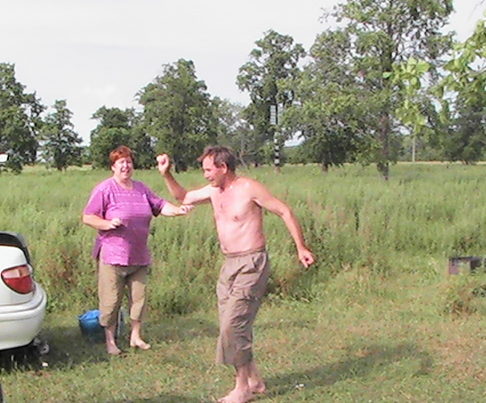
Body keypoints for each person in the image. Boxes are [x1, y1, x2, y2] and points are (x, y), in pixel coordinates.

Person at [157, 146, 315, 403]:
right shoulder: (213, 191)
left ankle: (242, 388)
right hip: (229, 264)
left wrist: (301, 247)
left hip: (252, 263)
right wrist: (166, 174)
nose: (205, 175)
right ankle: (255, 380)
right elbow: (183, 197)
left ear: (223, 168)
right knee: (229, 325)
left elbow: (284, 211)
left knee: (234, 325)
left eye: (209, 170)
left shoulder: (249, 188)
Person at [83, 145, 192, 355]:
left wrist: (179, 210)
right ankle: (110, 341)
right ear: (113, 166)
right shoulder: (105, 189)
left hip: (139, 255)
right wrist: (108, 224)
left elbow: (160, 205)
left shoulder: (141, 188)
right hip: (113, 256)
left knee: (139, 299)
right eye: (121, 162)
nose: (125, 166)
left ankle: (136, 336)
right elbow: (88, 217)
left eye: (129, 162)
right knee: (111, 301)